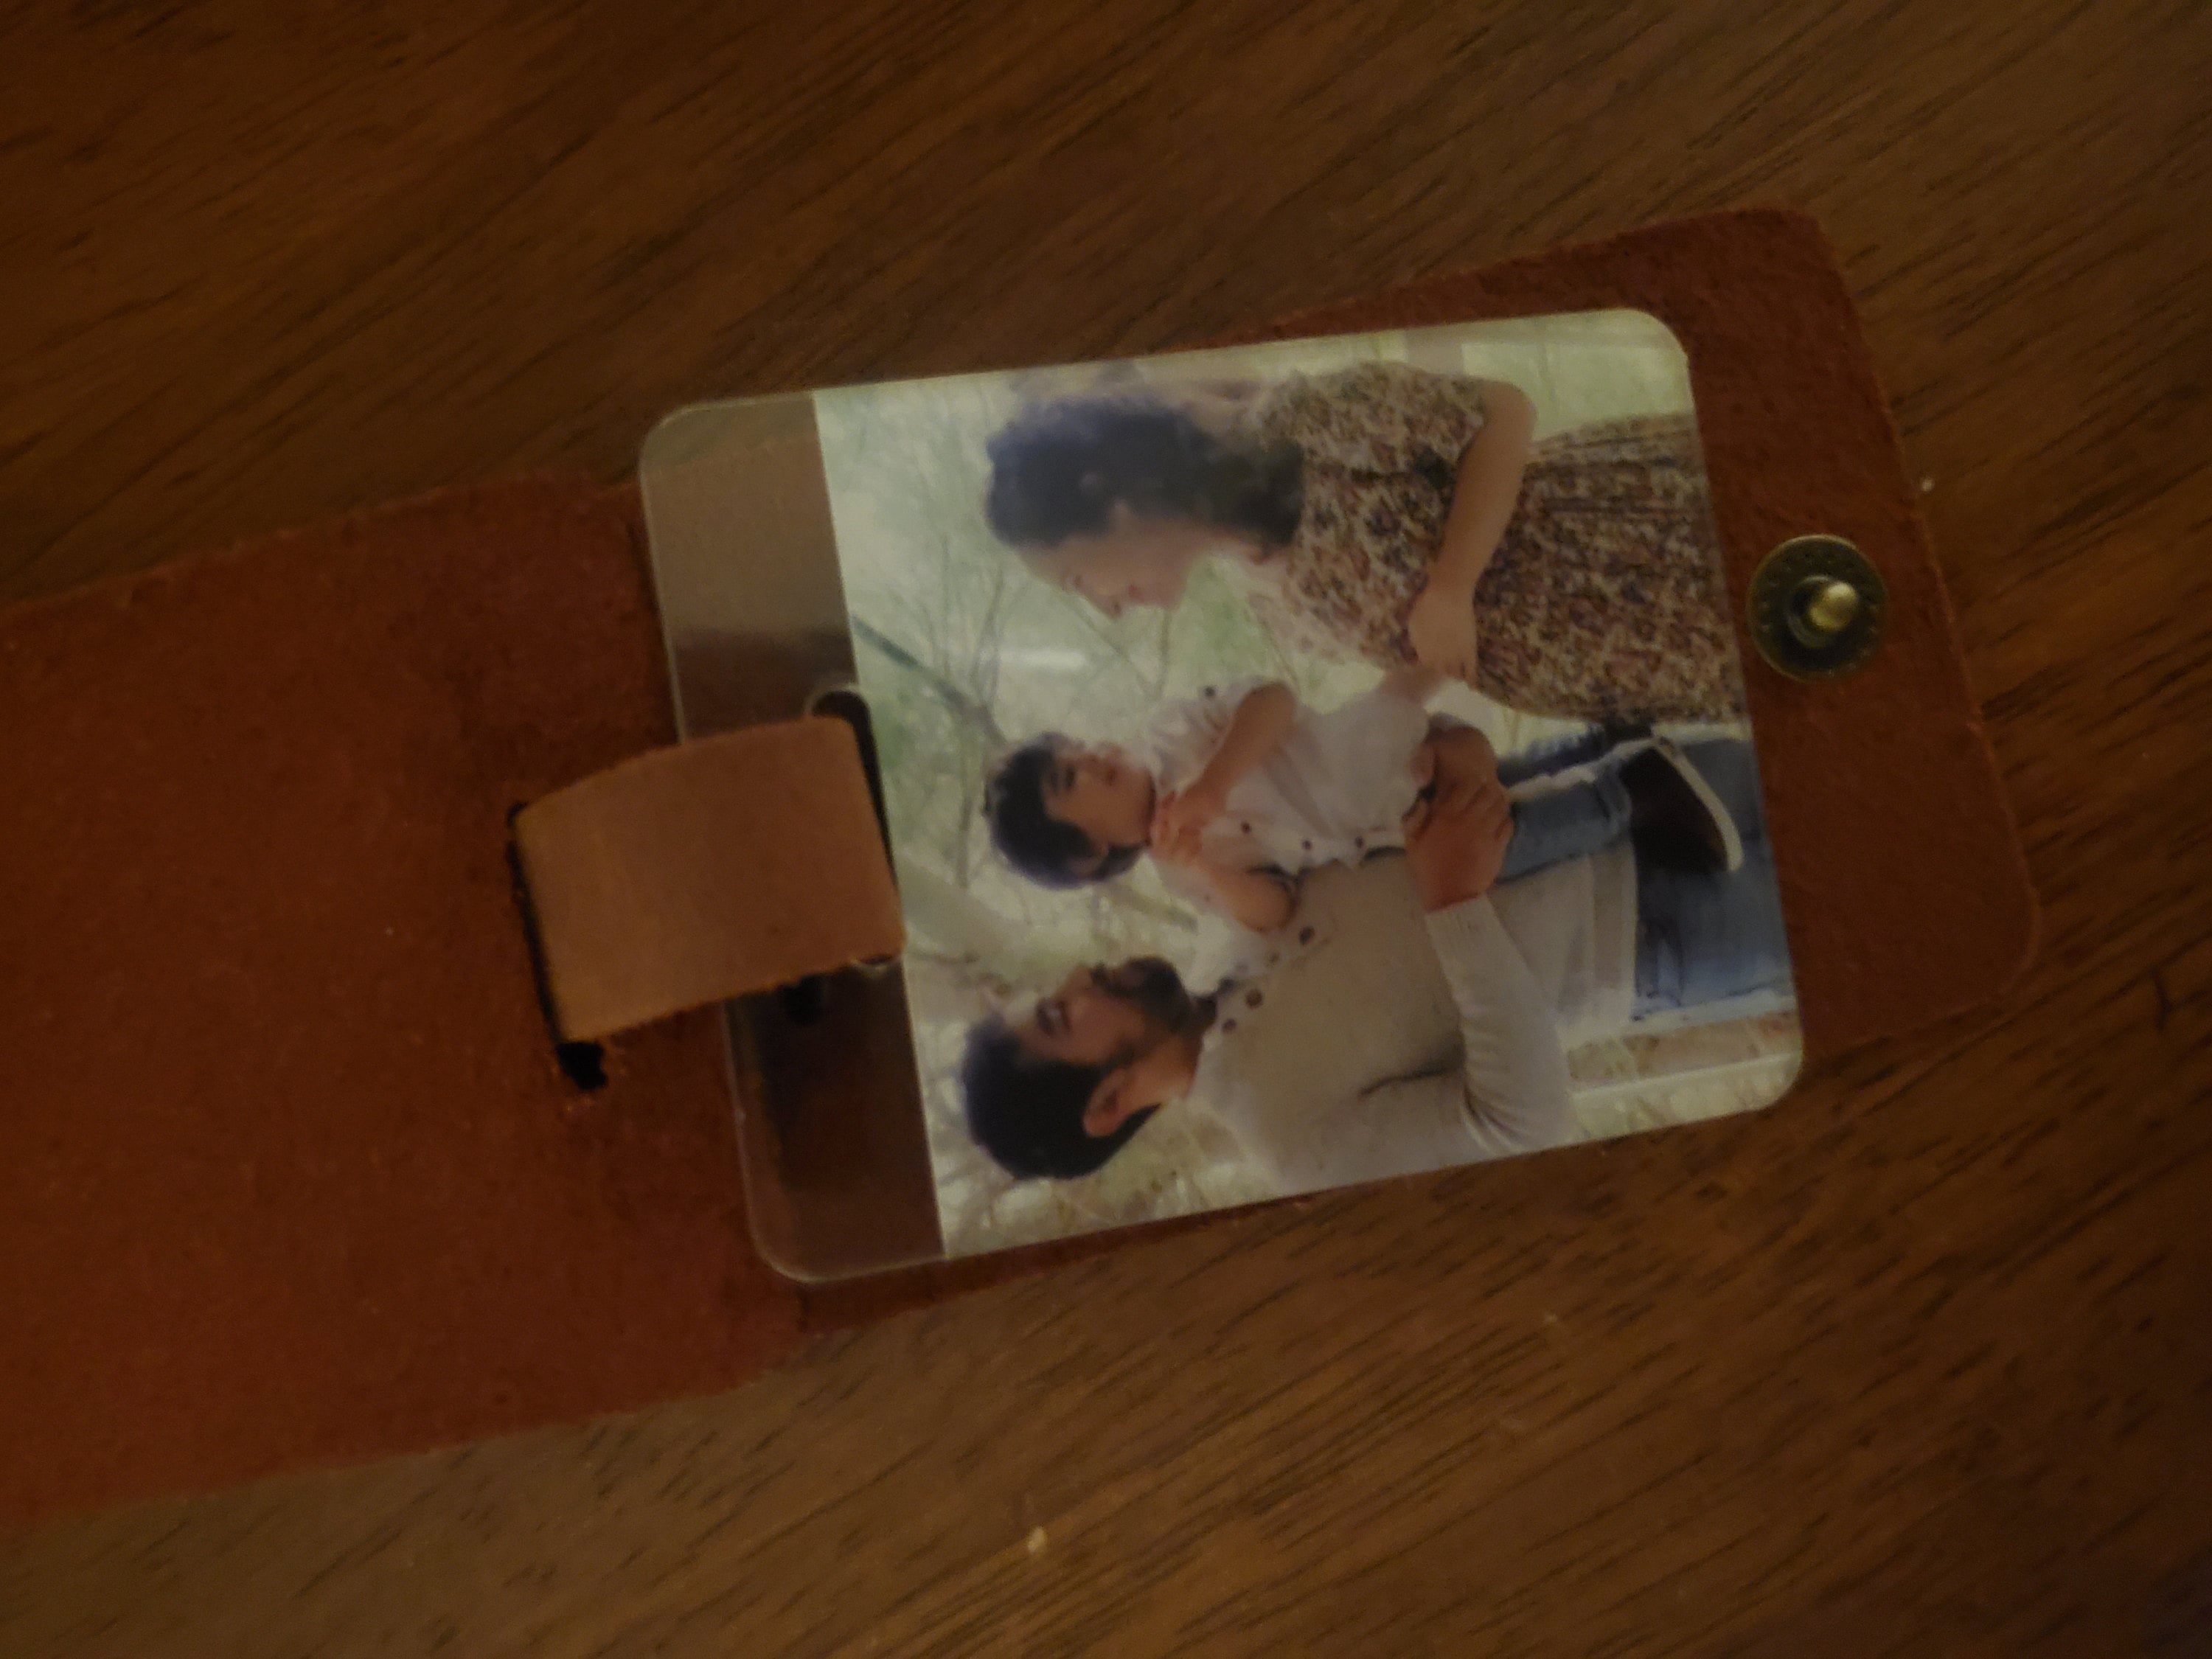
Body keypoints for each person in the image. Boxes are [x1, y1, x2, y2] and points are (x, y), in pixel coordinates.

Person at [959, 729, 1792, 1192]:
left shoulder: (1227, 915)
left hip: (1639, 770)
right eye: (1059, 1016)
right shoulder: (1296, 1148)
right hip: (1670, 935)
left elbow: (1371, 783)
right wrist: (1455, 904)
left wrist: (1456, 753)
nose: (1079, 976)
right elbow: (1522, 1123)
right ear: (1107, 1103)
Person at [983, 365, 1743, 725]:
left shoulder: (1298, 425)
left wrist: (1453, 583)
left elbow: (1501, 413)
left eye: (1078, 580)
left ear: (1109, 501)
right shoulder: (1263, 599)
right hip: (1649, 661)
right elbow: (1432, 645)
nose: (1109, 609)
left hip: (1643, 547)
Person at [984, 672, 1742, 935]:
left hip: (1369, 759)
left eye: (1077, 747)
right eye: (1070, 780)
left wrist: (1213, 784)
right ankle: (1602, 747)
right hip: (1380, 830)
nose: (1092, 755)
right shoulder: (1181, 874)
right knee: (1498, 795)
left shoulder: (1173, 735)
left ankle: (1632, 792)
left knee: (1500, 835)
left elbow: (1274, 700)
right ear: (1089, 856)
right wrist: (1214, 875)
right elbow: (1274, 909)